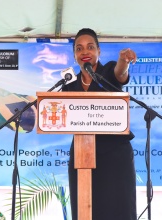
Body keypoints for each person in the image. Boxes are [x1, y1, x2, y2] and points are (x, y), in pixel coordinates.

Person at [62, 28, 137, 220]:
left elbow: (120, 74)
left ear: (98, 51)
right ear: (74, 55)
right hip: (81, 152)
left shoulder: (107, 72)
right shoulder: (69, 84)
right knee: (85, 209)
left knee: (117, 209)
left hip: (114, 154)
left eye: (90, 47)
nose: (84, 52)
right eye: (79, 49)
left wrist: (124, 61)